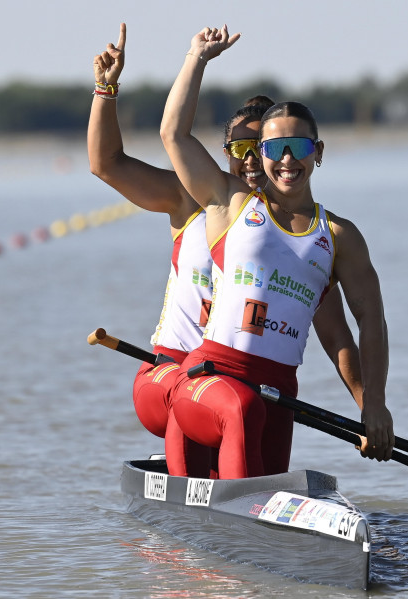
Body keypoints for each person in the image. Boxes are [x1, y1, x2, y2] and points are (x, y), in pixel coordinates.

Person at [89, 23, 367, 477]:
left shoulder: (303, 244)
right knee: (239, 407)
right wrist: (106, 88)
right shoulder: (197, 198)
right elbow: (107, 164)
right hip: (175, 370)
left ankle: (244, 503)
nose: (254, 160)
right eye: (242, 148)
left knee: (250, 418)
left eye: (266, 148)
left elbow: (338, 336)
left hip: (253, 386)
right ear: (225, 152)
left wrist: (368, 411)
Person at [160, 25, 394, 479]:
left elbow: (370, 321)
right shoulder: (230, 202)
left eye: (299, 147)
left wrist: (375, 407)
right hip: (208, 382)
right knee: (244, 408)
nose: (287, 161)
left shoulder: (341, 237)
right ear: (260, 154)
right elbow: (174, 135)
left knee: (257, 429)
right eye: (274, 149)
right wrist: (197, 59)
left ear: (318, 153)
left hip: (278, 392)